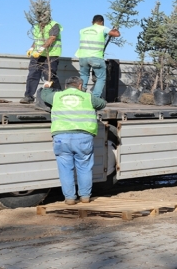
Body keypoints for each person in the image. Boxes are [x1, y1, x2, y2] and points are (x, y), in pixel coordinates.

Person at [40, 76, 106, 205]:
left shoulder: (56, 96)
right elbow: (102, 103)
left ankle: (69, 198)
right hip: (83, 138)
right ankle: (85, 197)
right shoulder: (87, 97)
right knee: (85, 168)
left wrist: (47, 86)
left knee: (65, 169)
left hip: (61, 138)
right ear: (80, 86)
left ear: (66, 86)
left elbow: (45, 95)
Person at [76, 15, 120, 98]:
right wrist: (115, 29)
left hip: (83, 57)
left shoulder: (83, 30)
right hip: (96, 57)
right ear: (102, 22)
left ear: (92, 22)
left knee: (84, 76)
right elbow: (116, 34)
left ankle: (81, 96)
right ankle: (95, 98)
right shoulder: (102, 28)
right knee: (101, 78)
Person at [21, 20, 63, 104]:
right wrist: (32, 48)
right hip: (37, 54)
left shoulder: (53, 25)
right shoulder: (37, 26)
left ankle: (57, 95)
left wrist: (41, 49)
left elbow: (52, 38)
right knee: (32, 74)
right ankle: (28, 96)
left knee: (50, 75)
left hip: (51, 54)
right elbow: (37, 40)